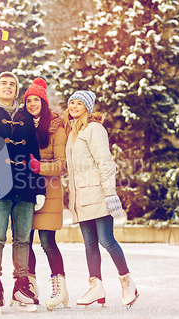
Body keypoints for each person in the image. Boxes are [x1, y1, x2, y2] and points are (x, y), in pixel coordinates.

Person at [0, 71, 46, 312]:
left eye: (12, 84)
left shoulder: (25, 116)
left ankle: (21, 285)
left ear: (16, 91)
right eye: (3, 83)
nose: (8, 87)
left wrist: (39, 187)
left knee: (23, 238)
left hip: (24, 184)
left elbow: (34, 151)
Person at [63, 90, 139, 309]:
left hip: (98, 193)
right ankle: (96, 285)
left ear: (87, 107)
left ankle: (127, 282)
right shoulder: (73, 132)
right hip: (82, 197)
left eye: (79, 103)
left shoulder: (94, 129)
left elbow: (105, 162)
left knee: (106, 240)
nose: (74, 106)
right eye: (71, 103)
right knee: (89, 244)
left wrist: (109, 193)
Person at [23, 78, 69, 310]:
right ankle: (29, 286)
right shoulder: (23, 126)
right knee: (25, 241)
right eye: (28, 100)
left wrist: (39, 166)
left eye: (36, 100)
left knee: (47, 242)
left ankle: (60, 287)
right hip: (27, 190)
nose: (32, 104)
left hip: (49, 193)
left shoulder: (56, 129)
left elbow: (62, 164)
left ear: (44, 101)